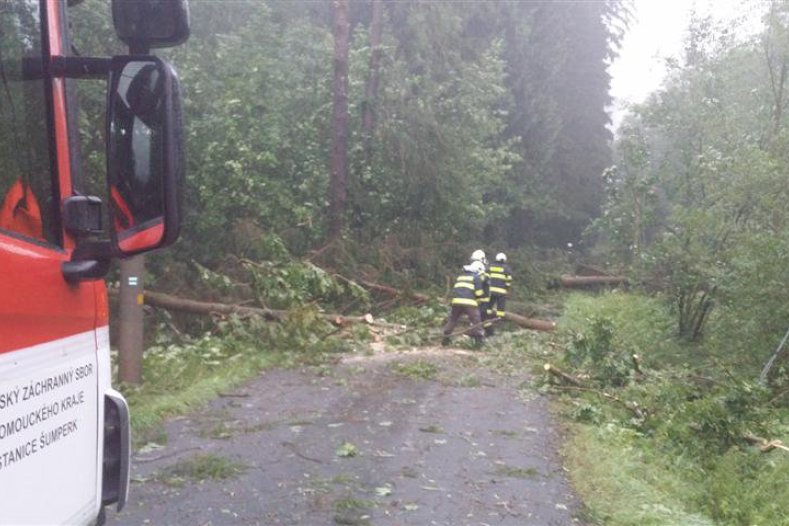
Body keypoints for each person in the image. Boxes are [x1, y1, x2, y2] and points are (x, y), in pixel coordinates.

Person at [442, 260, 486, 347]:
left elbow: (455, 290)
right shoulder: (476, 277)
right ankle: (479, 341)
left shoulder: (460, 277)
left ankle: (446, 338)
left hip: (456, 302)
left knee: (453, 320)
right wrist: (480, 301)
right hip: (469, 303)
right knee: (476, 320)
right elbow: (479, 293)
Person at [487, 252, 513, 335]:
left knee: (489, 306)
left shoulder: (490, 266)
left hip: (490, 290)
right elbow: (509, 280)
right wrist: (507, 288)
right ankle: (499, 322)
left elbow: (486, 277)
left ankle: (486, 318)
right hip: (501, 291)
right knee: (500, 308)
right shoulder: (506, 268)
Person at [470, 249, 492, 336]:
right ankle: (489, 332)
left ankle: (479, 334)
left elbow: (479, 284)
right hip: (481, 299)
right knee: (482, 317)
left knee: (479, 317)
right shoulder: (481, 269)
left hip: (482, 300)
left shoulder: (482, 274)